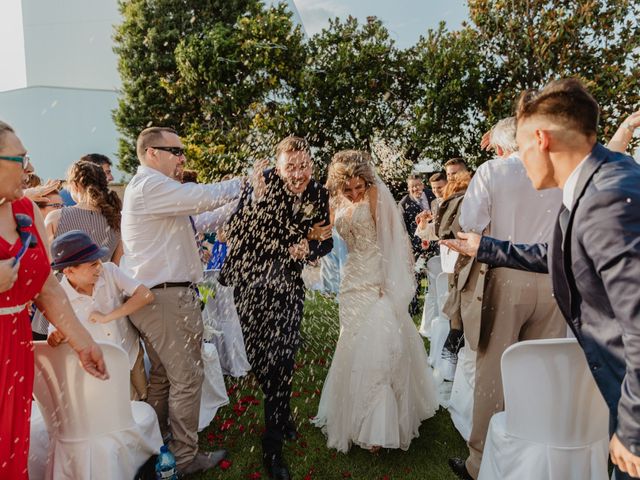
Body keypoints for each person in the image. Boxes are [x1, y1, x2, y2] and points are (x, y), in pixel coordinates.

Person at [442, 78, 640, 480]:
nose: (518, 156)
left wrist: (633, 429)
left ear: (541, 140)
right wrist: (488, 248)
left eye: (521, 145)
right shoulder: (599, 179)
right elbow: (559, 255)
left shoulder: (605, 200)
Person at [446, 117, 565, 480]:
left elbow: (470, 224)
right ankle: (530, 464)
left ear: (499, 147)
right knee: (541, 374)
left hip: (505, 278)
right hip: (553, 281)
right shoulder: (560, 170)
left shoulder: (493, 170)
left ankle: (478, 464)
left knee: (493, 377)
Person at [120, 126, 240, 475]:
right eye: (176, 151)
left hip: (158, 297)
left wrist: (239, 200)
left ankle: (154, 449)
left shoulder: (153, 191)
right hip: (167, 297)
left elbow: (199, 220)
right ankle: (185, 458)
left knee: (162, 377)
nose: (182, 157)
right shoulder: (150, 185)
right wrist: (245, 181)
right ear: (152, 153)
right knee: (187, 378)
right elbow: (199, 198)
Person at [219, 136, 333, 480]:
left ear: (311, 164)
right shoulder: (262, 184)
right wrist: (299, 238)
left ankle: (272, 444)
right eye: (291, 167)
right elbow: (235, 233)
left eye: (303, 166)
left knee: (283, 355)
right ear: (278, 166)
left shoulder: (318, 193)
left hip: (288, 285)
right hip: (251, 283)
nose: (298, 174)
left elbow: (326, 241)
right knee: (260, 358)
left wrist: (311, 248)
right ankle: (281, 413)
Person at [0, 120, 108, 479]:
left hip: (15, 349)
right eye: (21, 158)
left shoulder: (25, 212)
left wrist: (83, 342)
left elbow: (47, 285)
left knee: (11, 451)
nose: (29, 168)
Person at [312, 150, 438, 453]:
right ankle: (354, 415)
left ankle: (379, 424)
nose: (355, 193)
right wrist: (314, 234)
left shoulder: (375, 195)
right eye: (348, 189)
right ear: (339, 186)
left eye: (359, 186)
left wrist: (387, 280)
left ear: (366, 180)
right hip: (351, 279)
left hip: (377, 279)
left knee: (381, 346)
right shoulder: (335, 202)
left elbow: (390, 240)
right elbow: (325, 235)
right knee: (352, 342)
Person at [47, 230, 153, 400]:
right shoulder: (60, 297)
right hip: (103, 364)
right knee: (122, 408)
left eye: (99, 261)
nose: (99, 267)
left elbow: (146, 295)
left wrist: (107, 317)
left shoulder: (110, 271)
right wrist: (56, 337)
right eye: (92, 264)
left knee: (144, 399)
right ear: (68, 271)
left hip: (131, 353)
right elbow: (53, 338)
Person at [46, 160, 123, 264]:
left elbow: (45, 261)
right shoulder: (117, 219)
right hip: (103, 279)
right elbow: (116, 265)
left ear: (75, 185)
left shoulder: (55, 217)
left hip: (62, 280)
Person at [399, 174, 434, 315]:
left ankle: (436, 302)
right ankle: (413, 307)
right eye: (412, 186)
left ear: (423, 185)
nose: (415, 188)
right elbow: (403, 228)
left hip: (435, 241)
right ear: (408, 188)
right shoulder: (403, 203)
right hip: (416, 245)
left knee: (436, 273)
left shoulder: (432, 195)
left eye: (418, 185)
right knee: (414, 276)